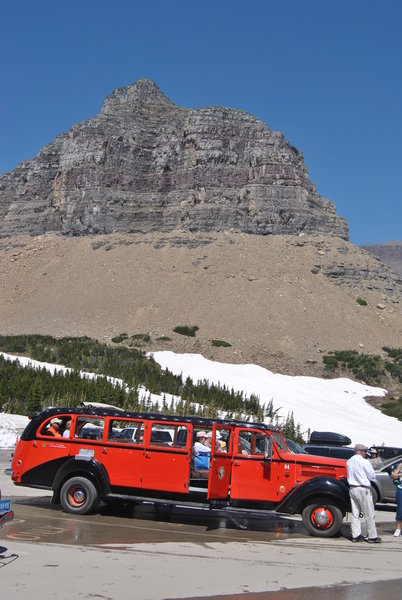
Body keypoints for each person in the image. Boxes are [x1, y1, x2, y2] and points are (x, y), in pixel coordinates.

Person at [346, 443, 381, 543]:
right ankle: (372, 536)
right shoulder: (364, 461)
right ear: (362, 452)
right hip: (363, 488)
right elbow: (372, 475)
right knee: (369, 513)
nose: (366, 454)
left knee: (355, 513)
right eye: (365, 452)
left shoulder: (349, 461)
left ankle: (355, 535)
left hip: (352, 488)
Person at [391, 461, 402, 537]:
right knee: (400, 510)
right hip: (400, 489)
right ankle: (398, 529)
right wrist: (399, 469)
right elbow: (393, 476)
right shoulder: (399, 465)